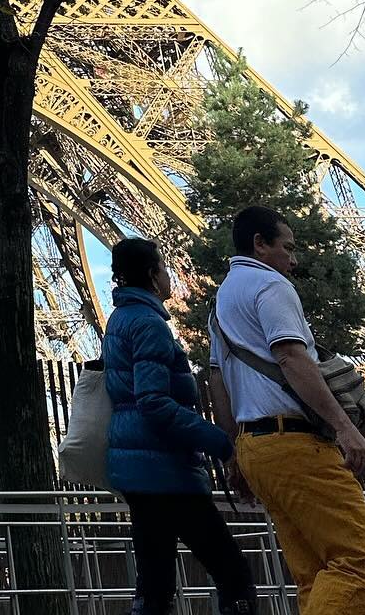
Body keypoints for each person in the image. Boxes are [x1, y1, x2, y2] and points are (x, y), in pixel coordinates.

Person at [209, 208, 365, 615]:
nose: (294, 258)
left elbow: (217, 381)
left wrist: (236, 450)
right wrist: (344, 427)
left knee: (315, 573)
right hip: (296, 443)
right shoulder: (270, 285)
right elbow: (290, 356)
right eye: (287, 247)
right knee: (361, 562)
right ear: (260, 244)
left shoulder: (220, 303)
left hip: (258, 448)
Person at [102, 237, 256, 615]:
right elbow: (154, 402)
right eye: (165, 268)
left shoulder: (119, 319)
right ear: (154, 276)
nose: (170, 276)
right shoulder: (148, 323)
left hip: (135, 469)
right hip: (164, 469)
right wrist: (220, 442)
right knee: (233, 575)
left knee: (154, 584)